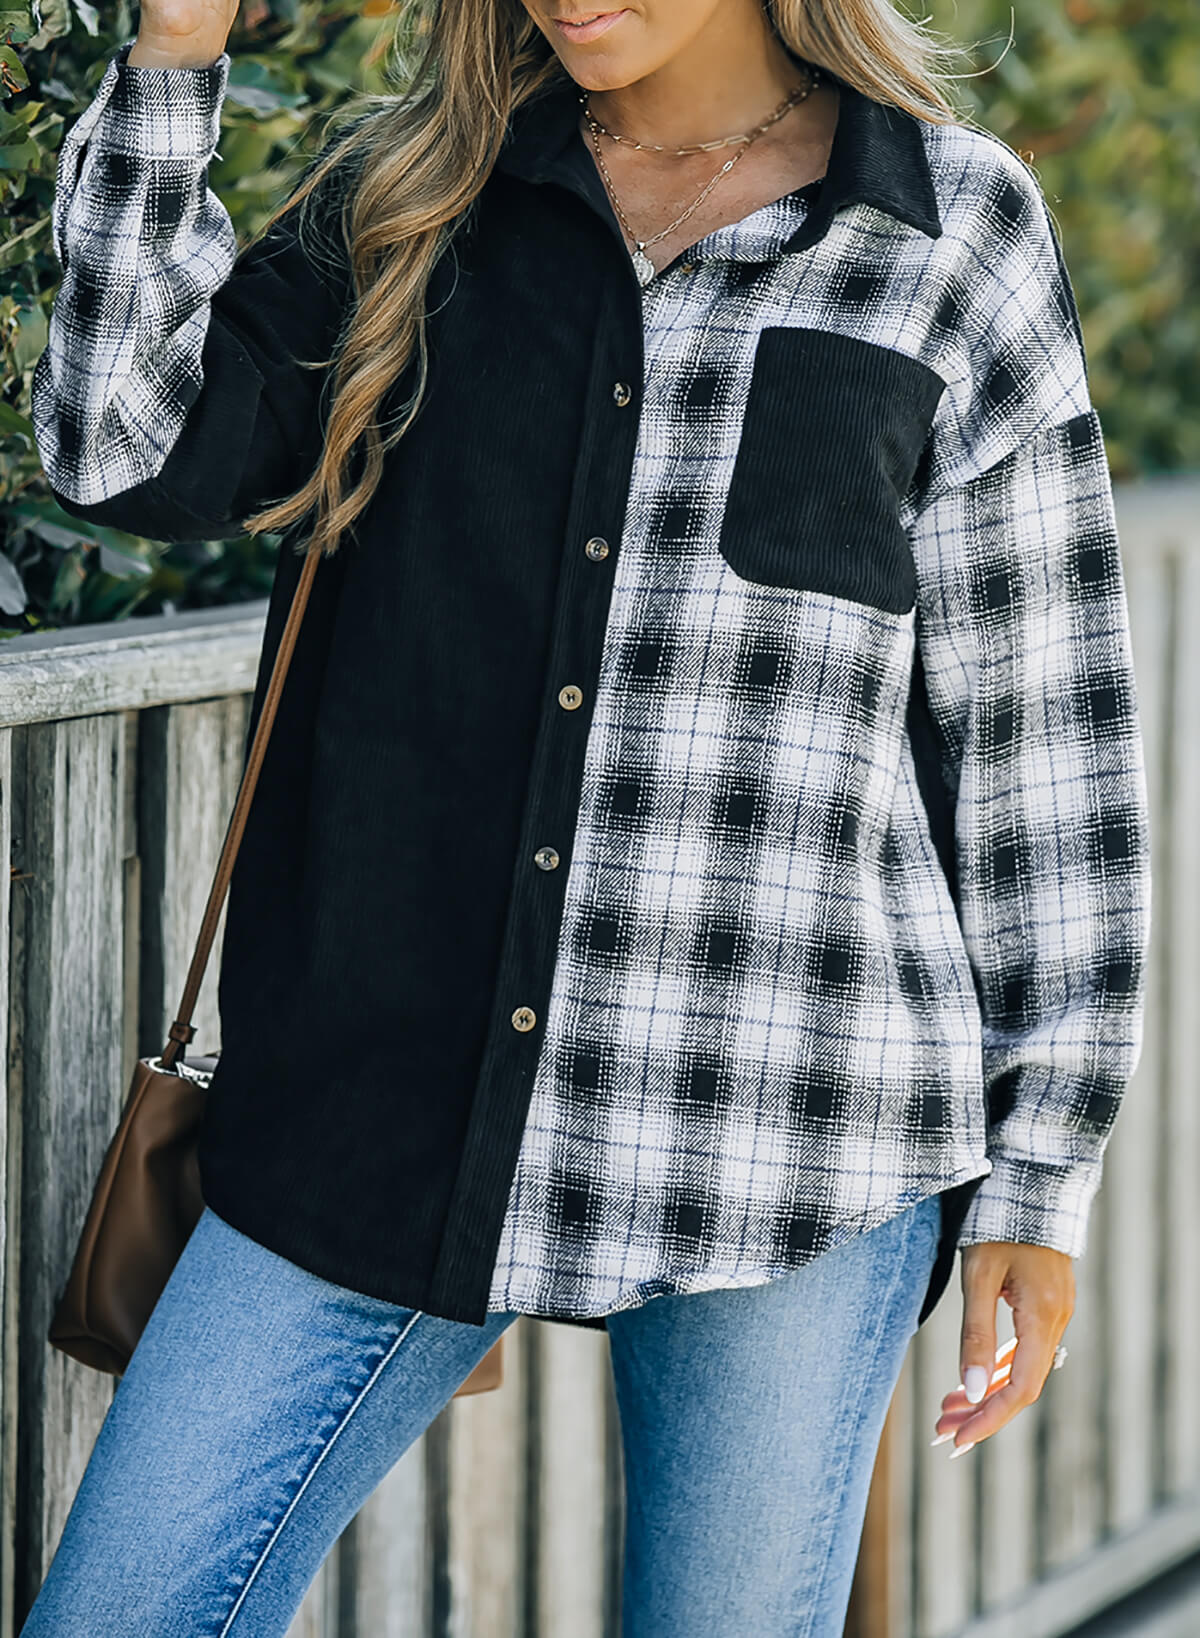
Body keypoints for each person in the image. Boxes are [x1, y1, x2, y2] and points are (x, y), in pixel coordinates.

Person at [23, 0, 1151, 1632]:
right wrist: (177, 55)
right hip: (385, 1107)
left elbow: (1044, 732)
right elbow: (114, 446)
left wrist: (1043, 1177)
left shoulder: (952, 229)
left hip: (795, 1133)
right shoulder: (409, 198)